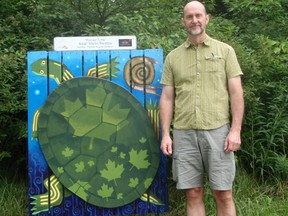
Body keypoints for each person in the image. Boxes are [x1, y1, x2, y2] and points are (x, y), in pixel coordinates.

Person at [159, 1, 244, 216]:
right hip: (184, 132)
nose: (194, 20)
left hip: (218, 131)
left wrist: (235, 130)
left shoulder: (225, 51)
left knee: (223, 192)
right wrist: (165, 134)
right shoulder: (173, 57)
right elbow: (167, 98)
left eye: (198, 15)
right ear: (183, 22)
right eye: (189, 16)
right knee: (193, 192)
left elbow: (236, 93)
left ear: (207, 19)